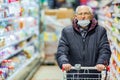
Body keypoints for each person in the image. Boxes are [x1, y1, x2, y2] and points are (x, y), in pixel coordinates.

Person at [56, 5, 111, 79]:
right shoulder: (67, 32)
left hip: (93, 74)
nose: (83, 16)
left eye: (86, 13)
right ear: (76, 16)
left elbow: (105, 50)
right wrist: (64, 62)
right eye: (80, 14)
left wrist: (101, 62)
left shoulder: (100, 31)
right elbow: (61, 51)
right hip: (74, 74)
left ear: (91, 16)